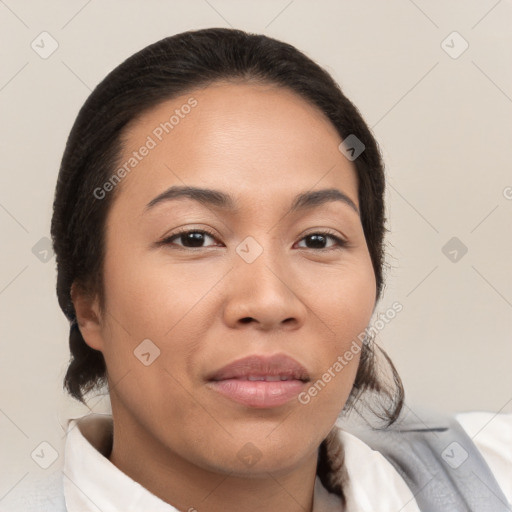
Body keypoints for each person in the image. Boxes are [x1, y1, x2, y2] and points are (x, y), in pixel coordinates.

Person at [13, 27, 512, 511]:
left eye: (318, 239)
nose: (269, 302)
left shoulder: (490, 477)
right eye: (194, 238)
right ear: (89, 305)